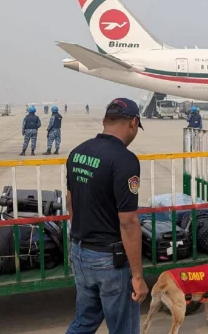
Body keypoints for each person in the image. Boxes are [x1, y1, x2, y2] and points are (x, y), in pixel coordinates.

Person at [65, 98, 147, 334]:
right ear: (133, 123)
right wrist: (138, 277)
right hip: (108, 259)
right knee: (124, 328)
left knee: (85, 321)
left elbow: (71, 201)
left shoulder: (78, 152)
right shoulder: (124, 160)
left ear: (104, 120)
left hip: (80, 252)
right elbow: (128, 222)